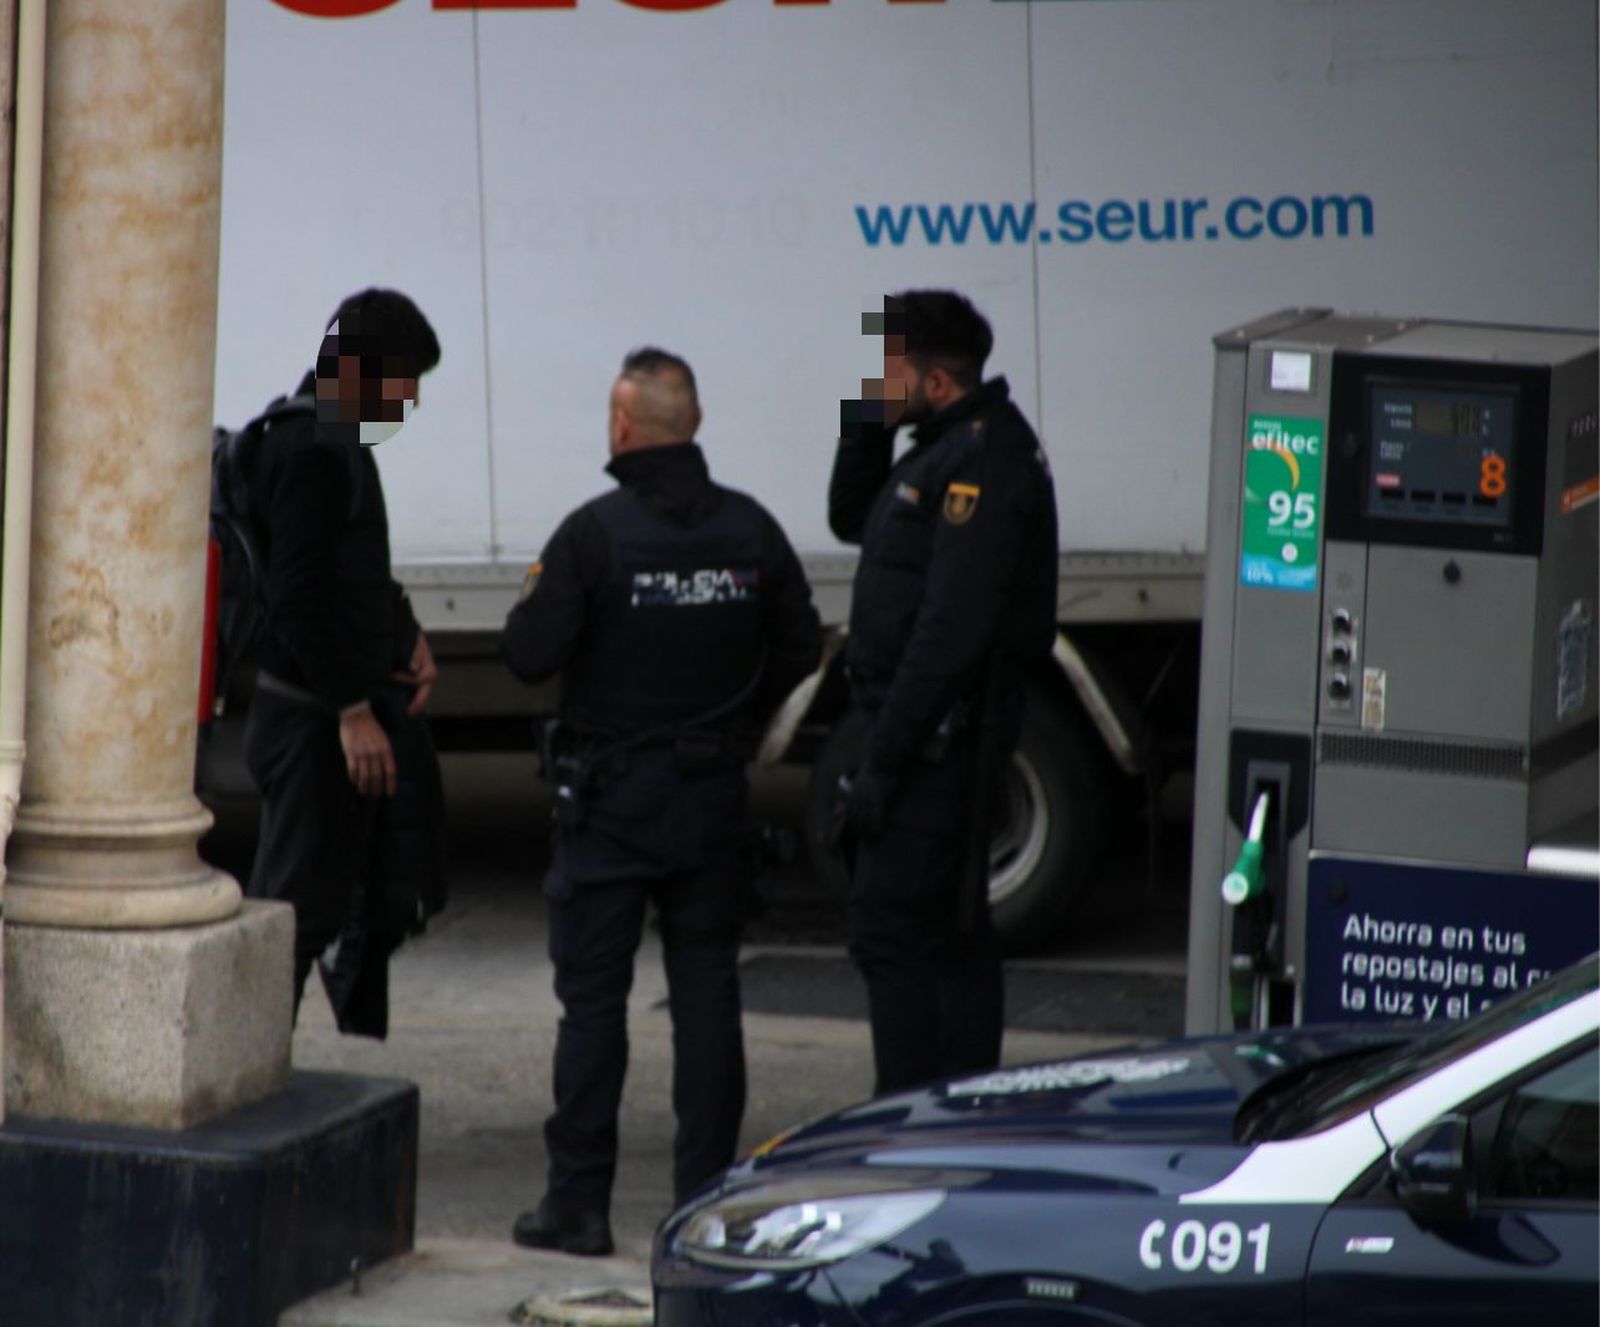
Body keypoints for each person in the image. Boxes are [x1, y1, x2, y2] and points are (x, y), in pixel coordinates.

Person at [503, 348, 821, 1256]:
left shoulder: (593, 535)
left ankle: (577, 1204)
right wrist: (735, 717)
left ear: (621, 426)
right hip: (712, 795)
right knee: (708, 997)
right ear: (697, 423)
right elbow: (800, 645)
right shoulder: (752, 531)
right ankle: (707, 1202)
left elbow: (527, 652)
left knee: (594, 1007)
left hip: (611, 802)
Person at [828, 289, 1059, 1097]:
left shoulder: (985, 460)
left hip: (941, 742)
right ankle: (946, 1111)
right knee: (939, 934)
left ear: (934, 382)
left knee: (900, 934)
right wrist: (867, 411)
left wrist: (884, 763)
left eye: (886, 371)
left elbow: (948, 634)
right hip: (916, 734)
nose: (874, 384)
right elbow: (849, 515)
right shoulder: (937, 449)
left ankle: (914, 1122)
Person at [244, 288, 446, 1024]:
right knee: (289, 921)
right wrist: (352, 710)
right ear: (362, 369)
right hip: (308, 721)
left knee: (319, 908)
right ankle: (250, 1077)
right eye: (407, 381)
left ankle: (264, 1071)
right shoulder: (315, 449)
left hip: (311, 712)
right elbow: (301, 599)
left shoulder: (332, 437)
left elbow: (349, 571)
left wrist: (406, 633)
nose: (414, 400)